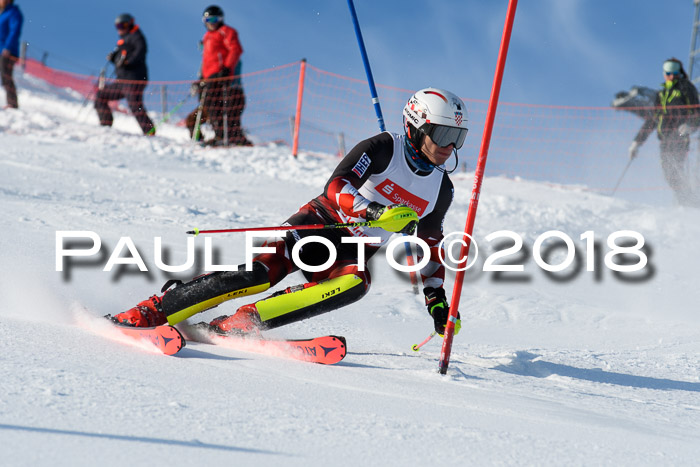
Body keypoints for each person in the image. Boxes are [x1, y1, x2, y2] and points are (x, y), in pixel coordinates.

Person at [112, 87, 467, 338]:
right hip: (318, 224)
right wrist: (373, 211)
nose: (449, 146)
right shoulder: (383, 147)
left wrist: (436, 299)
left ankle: (243, 322)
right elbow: (336, 186)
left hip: (349, 252)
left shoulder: (441, 188)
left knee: (356, 283)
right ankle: (157, 308)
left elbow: (430, 246)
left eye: (458, 137)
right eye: (443, 133)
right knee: (258, 274)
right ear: (415, 125)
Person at [628, 58, 700, 206]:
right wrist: (637, 142)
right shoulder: (662, 95)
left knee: (676, 169)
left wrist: (689, 126)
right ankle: (689, 201)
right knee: (669, 174)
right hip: (665, 139)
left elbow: (698, 112)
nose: (671, 76)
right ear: (664, 74)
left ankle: (689, 203)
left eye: (674, 73)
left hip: (680, 136)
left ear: (679, 72)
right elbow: (652, 120)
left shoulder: (686, 88)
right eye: (668, 73)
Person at [187, 5, 251, 146]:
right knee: (208, 106)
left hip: (221, 75)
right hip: (209, 77)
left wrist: (227, 68)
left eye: (214, 19)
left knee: (215, 105)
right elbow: (206, 62)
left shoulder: (226, 31)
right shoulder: (207, 37)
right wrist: (201, 80)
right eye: (208, 19)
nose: (211, 22)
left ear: (221, 19)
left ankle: (223, 136)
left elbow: (235, 49)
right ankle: (207, 138)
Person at [95, 13, 154, 135]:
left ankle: (150, 132)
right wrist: (114, 59)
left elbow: (140, 52)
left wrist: (127, 61)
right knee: (101, 96)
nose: (121, 28)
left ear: (131, 23)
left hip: (134, 80)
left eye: (123, 24)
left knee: (135, 105)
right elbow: (120, 61)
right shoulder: (123, 40)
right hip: (121, 81)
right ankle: (105, 125)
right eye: (118, 26)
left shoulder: (136, 36)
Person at [0, 0, 23, 109]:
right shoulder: (2, 12)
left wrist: (8, 47)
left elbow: (14, 31)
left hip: (8, 51)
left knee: (6, 75)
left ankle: (12, 103)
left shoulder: (13, 12)